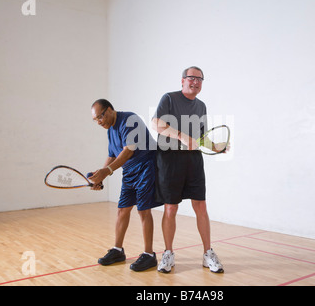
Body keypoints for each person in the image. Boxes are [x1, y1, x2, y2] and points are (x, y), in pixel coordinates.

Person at [152, 66, 224, 273]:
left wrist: (215, 147)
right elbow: (156, 123)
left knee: (200, 205)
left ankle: (208, 253)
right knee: (171, 208)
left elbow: (202, 137)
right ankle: (168, 254)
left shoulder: (201, 106)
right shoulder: (169, 98)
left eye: (200, 79)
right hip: (169, 158)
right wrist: (182, 136)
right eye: (191, 78)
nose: (195, 82)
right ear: (182, 80)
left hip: (193, 159)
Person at [89, 99, 162, 272]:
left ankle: (149, 254)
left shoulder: (130, 119)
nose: (99, 122)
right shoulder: (110, 130)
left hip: (146, 166)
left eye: (100, 117)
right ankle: (117, 250)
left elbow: (129, 150)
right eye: (95, 120)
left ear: (109, 110)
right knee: (123, 209)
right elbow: (112, 155)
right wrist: (100, 176)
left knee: (143, 210)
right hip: (129, 171)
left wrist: (106, 171)